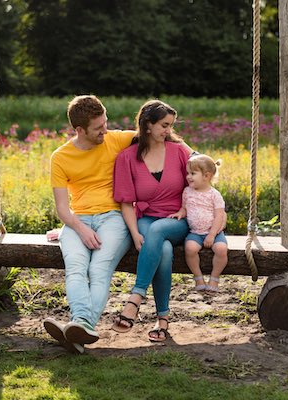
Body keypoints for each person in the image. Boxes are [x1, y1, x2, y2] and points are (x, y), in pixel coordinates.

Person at [43, 95, 136, 354]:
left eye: (105, 123)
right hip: (77, 220)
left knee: (98, 270)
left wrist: (195, 156)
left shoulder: (116, 139)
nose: (105, 130)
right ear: (79, 130)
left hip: (114, 217)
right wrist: (81, 229)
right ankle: (81, 330)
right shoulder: (60, 157)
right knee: (75, 268)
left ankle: (79, 325)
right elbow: (63, 208)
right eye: (98, 127)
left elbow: (156, 132)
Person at [111, 99, 191, 342]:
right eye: (164, 125)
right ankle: (163, 320)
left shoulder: (179, 151)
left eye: (171, 126)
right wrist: (135, 234)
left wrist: (186, 208)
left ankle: (135, 298)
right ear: (147, 125)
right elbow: (126, 202)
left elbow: (200, 183)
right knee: (163, 250)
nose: (169, 131)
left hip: (177, 219)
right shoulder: (126, 158)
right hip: (146, 219)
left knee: (158, 231)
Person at [171, 154, 228, 292]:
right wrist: (180, 213)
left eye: (193, 173)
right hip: (195, 233)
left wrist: (212, 235)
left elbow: (219, 216)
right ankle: (198, 277)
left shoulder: (214, 195)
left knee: (221, 249)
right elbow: (185, 208)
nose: (188, 177)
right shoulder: (187, 192)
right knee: (190, 249)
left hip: (214, 232)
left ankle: (214, 277)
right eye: (188, 173)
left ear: (206, 176)